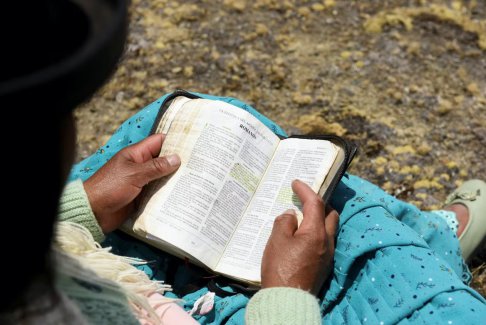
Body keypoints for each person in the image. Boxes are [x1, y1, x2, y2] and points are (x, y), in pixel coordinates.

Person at [1, 1, 485, 325]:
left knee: (193, 127)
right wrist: (286, 294)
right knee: (366, 245)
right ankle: (423, 244)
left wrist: (79, 207)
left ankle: (418, 238)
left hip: (83, 258)